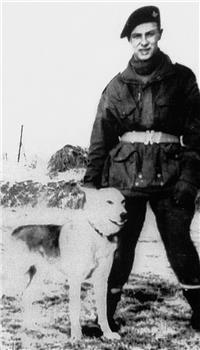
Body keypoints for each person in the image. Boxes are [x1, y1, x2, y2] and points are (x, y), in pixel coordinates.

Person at [83, 5, 200, 332]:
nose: (144, 41)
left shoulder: (182, 80)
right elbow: (100, 138)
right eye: (137, 36)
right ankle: (104, 317)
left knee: (180, 245)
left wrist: (189, 182)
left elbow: (196, 137)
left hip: (172, 177)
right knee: (119, 248)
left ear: (160, 35)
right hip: (125, 179)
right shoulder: (117, 86)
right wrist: (91, 186)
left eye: (150, 34)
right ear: (129, 41)